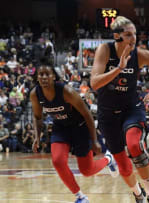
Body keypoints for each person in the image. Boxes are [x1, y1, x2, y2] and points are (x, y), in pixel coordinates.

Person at [91, 16, 149, 203]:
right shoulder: (105, 50)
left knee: (135, 145)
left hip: (131, 108)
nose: (133, 38)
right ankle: (138, 194)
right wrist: (119, 68)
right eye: (128, 34)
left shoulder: (141, 54)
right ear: (117, 36)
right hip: (107, 113)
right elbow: (95, 83)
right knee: (123, 164)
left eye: (134, 34)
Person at [31, 60, 118, 203]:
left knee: (87, 171)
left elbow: (87, 114)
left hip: (80, 127)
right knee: (58, 161)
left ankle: (109, 159)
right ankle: (81, 197)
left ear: (54, 76)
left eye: (47, 74)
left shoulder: (66, 91)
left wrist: (95, 140)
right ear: (37, 77)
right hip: (61, 128)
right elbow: (37, 117)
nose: (44, 77)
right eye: (41, 75)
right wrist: (37, 137)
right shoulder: (35, 94)